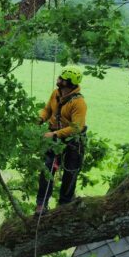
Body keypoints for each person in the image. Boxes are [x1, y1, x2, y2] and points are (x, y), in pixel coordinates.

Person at [35, 65, 87, 216]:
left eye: (61, 78)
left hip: (73, 139)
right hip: (54, 135)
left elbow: (77, 127)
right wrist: (40, 118)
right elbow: (47, 110)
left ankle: (64, 205)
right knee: (48, 168)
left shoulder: (79, 103)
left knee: (71, 171)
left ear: (69, 82)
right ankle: (41, 204)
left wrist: (56, 134)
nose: (58, 79)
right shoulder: (56, 93)